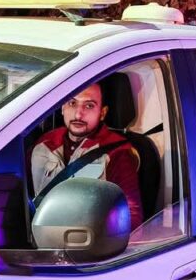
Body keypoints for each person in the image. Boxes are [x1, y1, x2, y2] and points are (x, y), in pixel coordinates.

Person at [30, 82, 143, 229]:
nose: (78, 114)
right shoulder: (43, 144)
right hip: (40, 235)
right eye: (72, 103)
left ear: (102, 113)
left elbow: (131, 216)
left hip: (88, 239)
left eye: (89, 105)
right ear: (63, 107)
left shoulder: (117, 152)